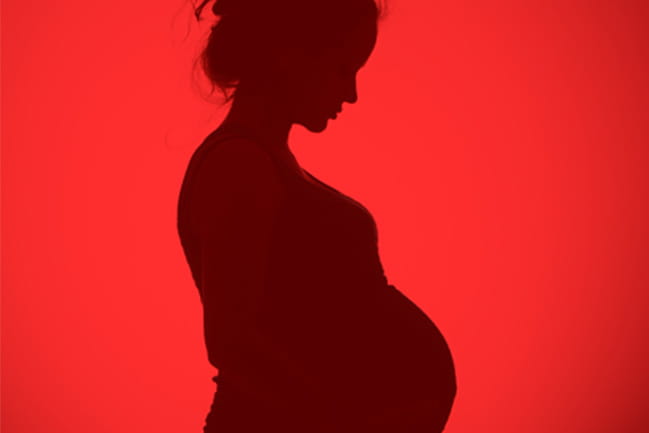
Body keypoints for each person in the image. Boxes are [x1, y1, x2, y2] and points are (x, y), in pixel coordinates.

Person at [176, 0, 457, 431]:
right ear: (289, 55)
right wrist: (340, 416)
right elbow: (233, 342)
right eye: (343, 68)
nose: (351, 94)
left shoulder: (266, 162)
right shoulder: (238, 165)